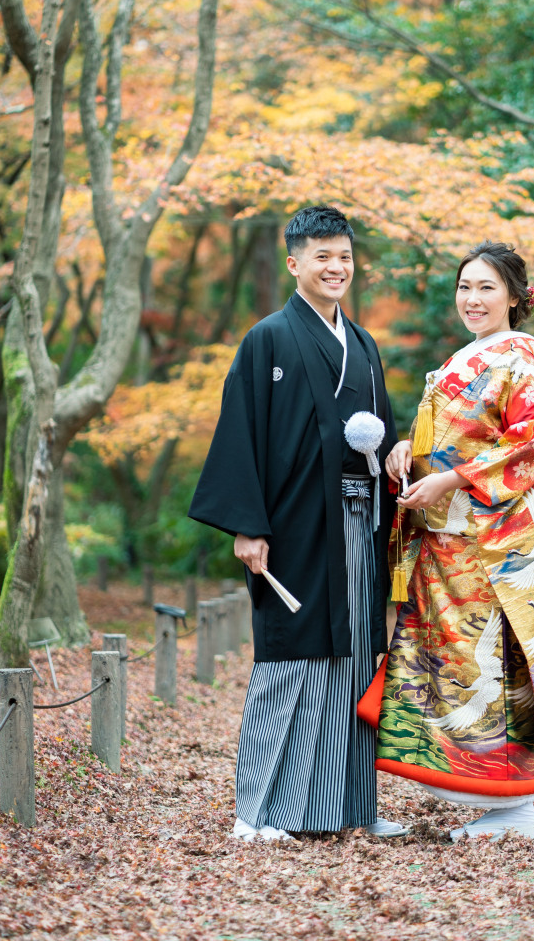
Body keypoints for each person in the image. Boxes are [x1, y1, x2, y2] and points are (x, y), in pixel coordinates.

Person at [189, 205, 408, 840]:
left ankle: (350, 807)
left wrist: (396, 460)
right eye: (322, 256)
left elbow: (384, 435)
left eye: (343, 256)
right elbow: (242, 434)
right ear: (294, 263)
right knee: (291, 655)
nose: (336, 267)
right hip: (295, 524)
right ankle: (256, 812)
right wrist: (247, 525)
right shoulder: (269, 338)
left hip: (358, 520)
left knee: (355, 655)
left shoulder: (362, 342)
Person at [364, 240, 534, 841]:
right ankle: (495, 802)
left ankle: (513, 808)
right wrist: (409, 449)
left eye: (486, 288)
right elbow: (445, 438)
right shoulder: (466, 361)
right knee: (449, 671)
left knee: (490, 673)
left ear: (514, 297)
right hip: (447, 550)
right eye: (465, 287)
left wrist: (452, 478)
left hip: (488, 552)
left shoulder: (519, 367)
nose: (472, 299)